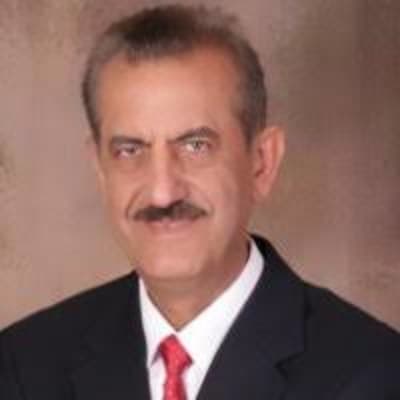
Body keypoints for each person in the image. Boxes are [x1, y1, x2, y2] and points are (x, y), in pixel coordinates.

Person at [1, 4, 399, 400]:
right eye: (130, 150)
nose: (162, 192)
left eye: (195, 145)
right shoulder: (22, 367)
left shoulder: (373, 375)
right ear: (101, 171)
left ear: (262, 163)